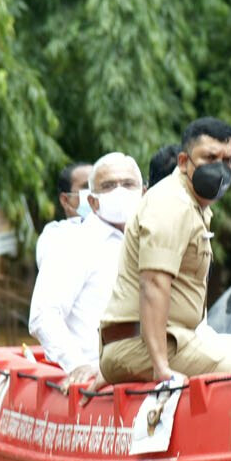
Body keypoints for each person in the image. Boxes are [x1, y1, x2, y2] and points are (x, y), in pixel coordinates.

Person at [100, 118, 231, 385]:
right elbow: (154, 284)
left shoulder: (194, 205)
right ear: (183, 162)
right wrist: (161, 369)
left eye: (228, 160)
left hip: (170, 341)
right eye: (209, 157)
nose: (220, 167)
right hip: (144, 347)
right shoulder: (171, 204)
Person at [28, 152, 141, 383]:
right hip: (94, 380)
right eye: (109, 186)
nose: (119, 191)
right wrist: (77, 365)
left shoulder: (153, 240)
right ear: (92, 200)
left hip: (144, 374)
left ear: (144, 192)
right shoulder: (73, 242)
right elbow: (44, 315)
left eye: (128, 184)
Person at [36, 161, 93, 268]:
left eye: (98, 186)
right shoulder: (53, 236)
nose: (94, 193)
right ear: (65, 200)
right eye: (87, 187)